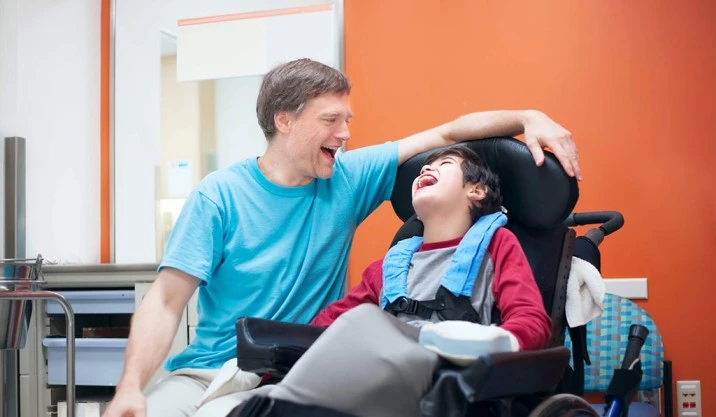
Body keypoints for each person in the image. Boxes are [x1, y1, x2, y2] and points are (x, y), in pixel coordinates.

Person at [103, 58, 580, 417]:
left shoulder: (348, 177)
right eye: (332, 120)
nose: (347, 133)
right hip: (209, 367)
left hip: (295, 367)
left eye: (347, 119)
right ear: (285, 121)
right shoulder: (218, 197)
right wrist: (129, 386)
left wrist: (527, 117)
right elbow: (165, 303)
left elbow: (450, 130)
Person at [229, 146, 552, 417]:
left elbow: (532, 322)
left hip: (444, 376)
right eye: (426, 165)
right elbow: (329, 325)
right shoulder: (390, 266)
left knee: (366, 321)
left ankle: (276, 408)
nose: (428, 168)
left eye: (445, 164)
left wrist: (486, 343)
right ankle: (272, 402)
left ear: (477, 190)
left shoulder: (497, 245)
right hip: (375, 379)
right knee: (348, 329)